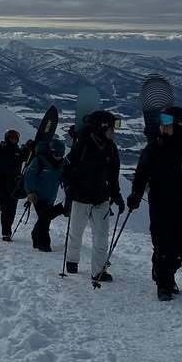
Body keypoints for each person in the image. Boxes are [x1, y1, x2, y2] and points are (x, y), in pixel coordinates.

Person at [127, 106, 182, 301]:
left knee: (179, 249)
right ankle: (164, 284)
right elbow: (141, 172)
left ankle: (165, 274)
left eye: (167, 122)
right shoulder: (155, 147)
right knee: (162, 245)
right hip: (160, 203)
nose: (162, 126)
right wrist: (136, 194)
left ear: (178, 126)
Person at [62, 110, 123, 281]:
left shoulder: (111, 148)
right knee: (76, 231)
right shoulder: (83, 144)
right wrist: (68, 186)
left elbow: (113, 174)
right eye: (111, 128)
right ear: (101, 127)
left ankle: (98, 271)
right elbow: (67, 167)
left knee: (101, 237)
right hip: (80, 197)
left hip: (100, 198)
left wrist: (116, 195)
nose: (114, 132)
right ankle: (72, 261)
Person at [0, 130, 33, 241]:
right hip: (1, 186)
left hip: (15, 187)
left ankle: (7, 230)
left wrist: (29, 146)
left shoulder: (19, 152)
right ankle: (6, 233)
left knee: (12, 211)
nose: (14, 139)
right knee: (5, 210)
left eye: (15, 138)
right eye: (11, 137)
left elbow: (30, 156)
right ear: (7, 138)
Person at [24, 137, 66, 251]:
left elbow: (63, 178)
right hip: (38, 196)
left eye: (60, 154)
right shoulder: (39, 161)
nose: (58, 157)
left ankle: (36, 237)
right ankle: (44, 245)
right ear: (50, 152)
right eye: (56, 154)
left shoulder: (62, 164)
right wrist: (30, 192)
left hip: (50, 197)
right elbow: (29, 176)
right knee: (45, 218)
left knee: (44, 218)